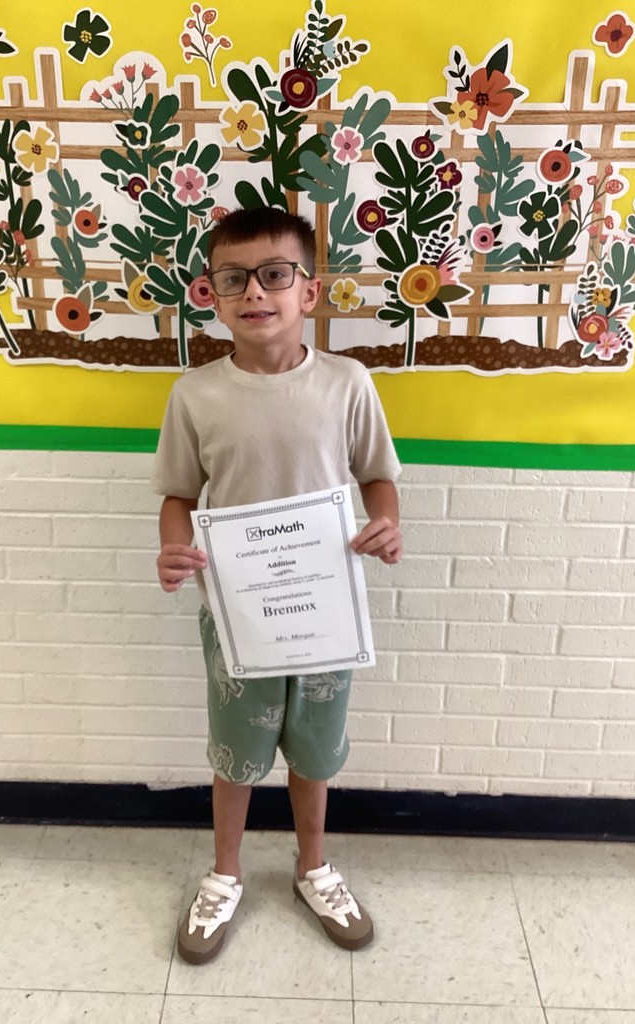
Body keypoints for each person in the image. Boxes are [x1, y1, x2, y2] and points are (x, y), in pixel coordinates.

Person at [151, 205, 402, 965]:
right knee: (235, 750)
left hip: (326, 616)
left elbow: (378, 477)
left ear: (308, 292)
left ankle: (312, 867)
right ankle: (225, 874)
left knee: (314, 751)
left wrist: (386, 525)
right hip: (235, 616)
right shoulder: (195, 396)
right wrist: (171, 549)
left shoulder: (347, 383)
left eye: (275, 274)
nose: (255, 291)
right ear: (213, 294)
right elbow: (177, 496)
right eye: (235, 278)